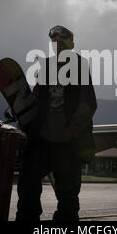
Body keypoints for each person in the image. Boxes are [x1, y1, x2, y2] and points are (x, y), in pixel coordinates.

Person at [15, 25, 97, 221]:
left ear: (71, 44)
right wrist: (24, 120)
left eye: (62, 42)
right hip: (42, 139)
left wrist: (72, 129)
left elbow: (89, 103)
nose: (57, 46)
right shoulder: (46, 67)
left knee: (67, 196)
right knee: (27, 186)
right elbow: (36, 97)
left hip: (69, 143)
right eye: (54, 42)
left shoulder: (79, 65)